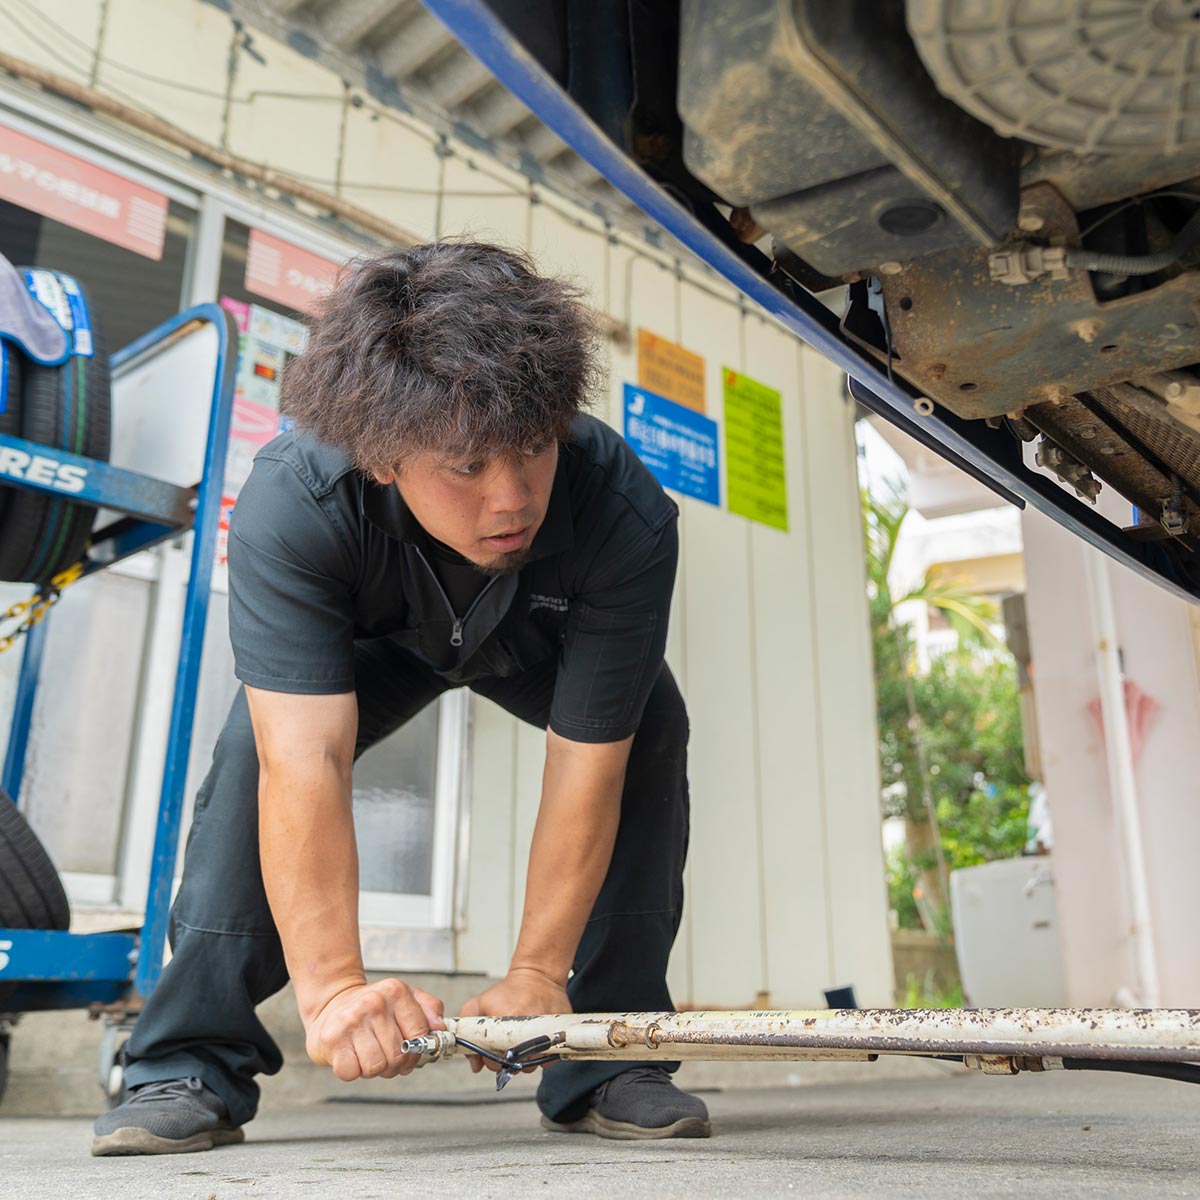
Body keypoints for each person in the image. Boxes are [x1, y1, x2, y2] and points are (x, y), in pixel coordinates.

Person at [92, 242, 707, 1156]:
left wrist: (538, 971)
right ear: (383, 458)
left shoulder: (624, 515)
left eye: (533, 451)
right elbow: (307, 761)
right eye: (464, 467)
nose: (512, 499)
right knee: (253, 754)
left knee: (651, 720)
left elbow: (587, 768)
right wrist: (333, 986)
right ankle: (188, 1060)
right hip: (375, 642)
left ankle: (607, 1057)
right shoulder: (298, 500)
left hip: (536, 639)